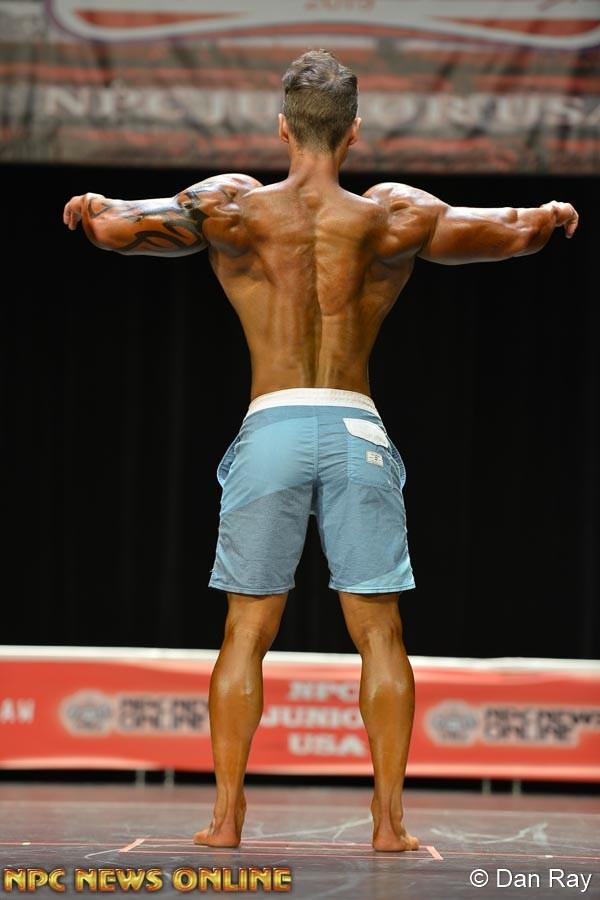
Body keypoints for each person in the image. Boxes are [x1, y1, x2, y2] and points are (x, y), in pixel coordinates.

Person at [63, 49, 579, 852]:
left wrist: (91, 207)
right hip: (355, 431)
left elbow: (118, 227)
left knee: (245, 632)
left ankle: (226, 819)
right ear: (353, 132)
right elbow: (510, 231)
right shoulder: (391, 216)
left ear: (283, 128)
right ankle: (389, 824)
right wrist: (551, 214)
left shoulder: (232, 206)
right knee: (381, 634)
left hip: (271, 428)